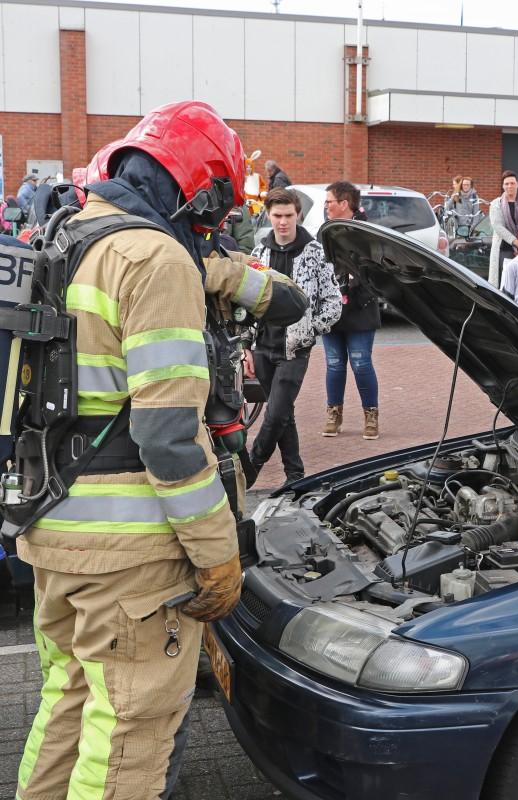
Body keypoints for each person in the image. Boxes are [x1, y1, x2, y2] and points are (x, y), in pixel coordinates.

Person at [12, 100, 306, 800]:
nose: (213, 228)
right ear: (196, 191)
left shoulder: (64, 234)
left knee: (67, 704)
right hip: (133, 559)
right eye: (214, 211)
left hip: (53, 530)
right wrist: (216, 556)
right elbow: (168, 438)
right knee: (128, 745)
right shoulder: (156, 258)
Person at [249, 188, 341, 484]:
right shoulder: (259, 253)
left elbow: (333, 301)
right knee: (284, 414)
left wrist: (312, 328)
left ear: (297, 214)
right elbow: (245, 303)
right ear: (269, 215)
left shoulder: (315, 252)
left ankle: (251, 468)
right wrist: (244, 348)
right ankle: (295, 474)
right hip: (262, 347)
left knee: (274, 415)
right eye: (277, 216)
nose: (283, 222)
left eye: (289, 215)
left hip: (295, 350)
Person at [321, 180, 382, 439]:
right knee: (334, 364)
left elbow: (377, 271)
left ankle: (371, 415)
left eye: (329, 202)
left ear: (345, 204)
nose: (325, 207)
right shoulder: (325, 231)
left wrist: (354, 286)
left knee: (360, 363)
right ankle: (334, 413)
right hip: (331, 310)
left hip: (360, 309)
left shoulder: (366, 231)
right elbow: (320, 267)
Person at [488, 170, 518, 286]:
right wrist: (515, 241)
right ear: (503, 186)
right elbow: (498, 226)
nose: (509, 186)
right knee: (505, 283)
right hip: (504, 249)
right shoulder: (496, 204)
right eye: (506, 184)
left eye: (512, 183)